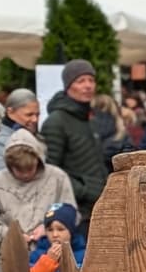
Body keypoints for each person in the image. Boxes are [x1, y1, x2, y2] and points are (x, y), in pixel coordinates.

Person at [0, 129, 76, 251]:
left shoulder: (58, 178)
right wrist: (11, 235)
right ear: (9, 165)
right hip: (10, 257)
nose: (25, 175)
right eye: (19, 170)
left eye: (30, 169)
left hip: (52, 254)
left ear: (38, 160)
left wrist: (48, 228)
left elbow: (73, 214)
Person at [40, 60, 109, 229]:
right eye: (81, 81)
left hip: (100, 205)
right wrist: (85, 191)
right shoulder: (56, 122)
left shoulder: (90, 118)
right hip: (77, 210)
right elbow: (51, 170)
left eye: (91, 80)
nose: (88, 86)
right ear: (68, 86)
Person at [29, 202, 86, 272]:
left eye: (60, 229)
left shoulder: (84, 255)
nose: (55, 235)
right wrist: (49, 260)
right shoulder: (38, 254)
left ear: (71, 230)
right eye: (50, 230)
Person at [0, 90, 41, 177]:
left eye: (37, 115)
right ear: (10, 112)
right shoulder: (0, 144)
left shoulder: (37, 138)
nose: (35, 119)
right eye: (29, 115)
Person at [91, 93, 131, 172]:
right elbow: (129, 159)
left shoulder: (85, 127)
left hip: (90, 179)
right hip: (115, 179)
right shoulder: (121, 131)